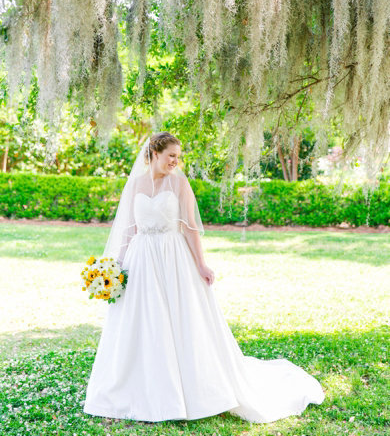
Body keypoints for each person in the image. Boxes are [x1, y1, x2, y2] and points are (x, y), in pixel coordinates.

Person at [83, 132, 324, 423]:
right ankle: (139, 390)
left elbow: (190, 228)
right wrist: (116, 267)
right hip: (141, 259)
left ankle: (189, 388)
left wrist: (201, 264)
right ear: (155, 153)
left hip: (173, 258)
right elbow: (127, 230)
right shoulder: (135, 184)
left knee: (181, 320)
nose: (175, 161)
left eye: (178, 156)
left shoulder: (179, 183)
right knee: (143, 321)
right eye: (171, 155)